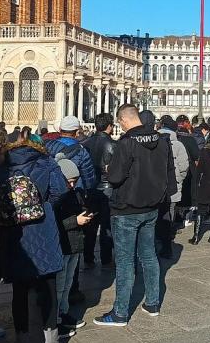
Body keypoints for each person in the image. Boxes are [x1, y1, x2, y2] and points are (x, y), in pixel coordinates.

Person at [94, 107, 175, 327]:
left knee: (125, 261)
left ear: (123, 120)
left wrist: (110, 169)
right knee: (148, 256)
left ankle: (120, 313)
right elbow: (168, 172)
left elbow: (116, 177)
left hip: (127, 208)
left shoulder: (126, 142)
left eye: (120, 123)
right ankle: (153, 302)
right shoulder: (161, 140)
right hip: (151, 206)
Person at [0, 128, 67, 343]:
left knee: (19, 291)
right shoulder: (46, 162)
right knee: (48, 287)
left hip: (14, 233)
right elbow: (60, 191)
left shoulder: (2, 165)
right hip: (43, 229)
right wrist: (45, 207)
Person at [53, 156, 92, 337]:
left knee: (68, 284)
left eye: (74, 182)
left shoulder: (75, 192)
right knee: (59, 286)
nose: (72, 185)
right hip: (63, 245)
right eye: (69, 182)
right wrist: (75, 220)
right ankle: (55, 320)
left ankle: (63, 312)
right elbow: (55, 223)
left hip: (75, 244)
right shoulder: (55, 197)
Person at [81, 112, 115, 269]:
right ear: (109, 126)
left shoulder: (85, 143)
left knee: (90, 225)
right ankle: (106, 258)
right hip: (107, 188)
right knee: (106, 226)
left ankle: (88, 257)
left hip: (90, 187)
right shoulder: (114, 145)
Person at [157, 116, 189, 259]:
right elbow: (184, 167)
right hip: (173, 185)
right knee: (168, 214)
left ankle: (157, 241)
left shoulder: (154, 141)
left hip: (155, 186)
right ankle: (166, 244)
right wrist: (178, 180)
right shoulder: (178, 145)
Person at [45, 115, 97, 192]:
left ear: (60, 129)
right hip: (73, 193)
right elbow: (89, 181)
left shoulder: (46, 146)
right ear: (77, 132)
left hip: (51, 192)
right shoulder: (82, 152)